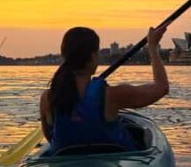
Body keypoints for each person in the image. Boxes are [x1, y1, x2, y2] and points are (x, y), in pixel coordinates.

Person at [40, 25, 169, 153]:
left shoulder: (47, 98)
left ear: (64, 57)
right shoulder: (111, 95)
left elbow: (50, 137)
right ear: (92, 57)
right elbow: (161, 87)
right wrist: (152, 47)